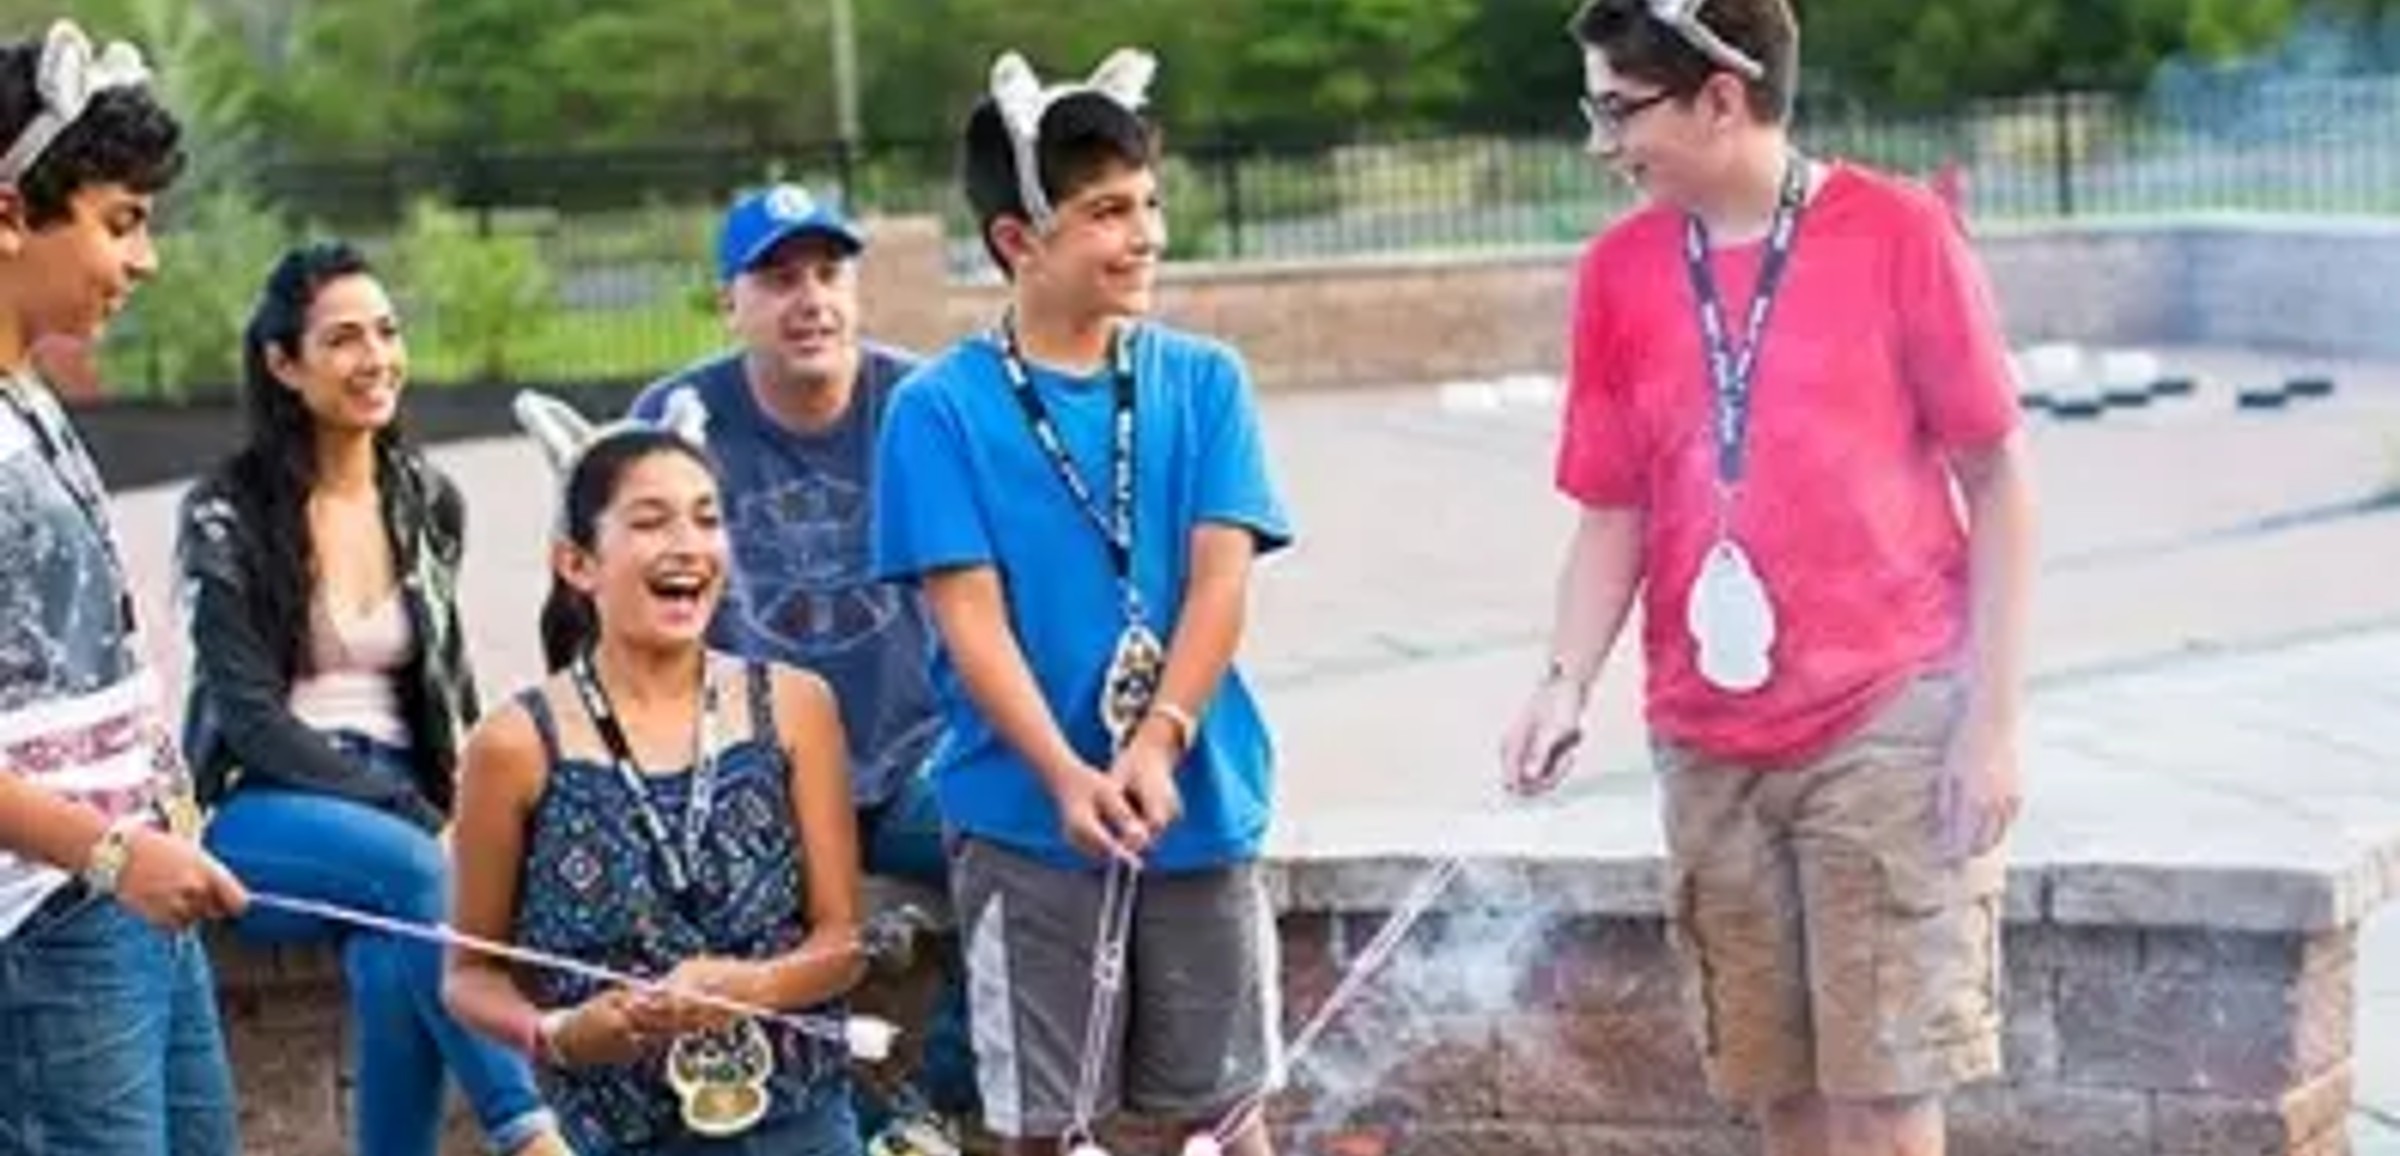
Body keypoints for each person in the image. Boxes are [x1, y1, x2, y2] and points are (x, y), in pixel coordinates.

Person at [1498, 3, 2036, 1155]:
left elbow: (1999, 480)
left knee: (1885, 1096)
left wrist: (1990, 725)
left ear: (1722, 98)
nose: (1603, 142)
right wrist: (1561, 682)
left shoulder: (1901, 234)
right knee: (1778, 1090)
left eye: (1620, 108)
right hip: (1707, 740)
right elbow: (1615, 508)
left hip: (1887, 718)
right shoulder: (1620, 273)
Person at [872, 46, 1292, 1156]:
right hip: (1023, 815)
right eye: (1107, 211)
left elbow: (1219, 579)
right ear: (1020, 238)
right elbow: (969, 620)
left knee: (1227, 1111)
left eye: (1149, 203)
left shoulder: (1205, 381)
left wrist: (1160, 737)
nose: (1145, 233)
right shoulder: (938, 409)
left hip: (1195, 796)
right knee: (1046, 1127)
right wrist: (1064, 773)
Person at [176, 240, 568, 1156]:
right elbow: (253, 724)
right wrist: (414, 815)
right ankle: (533, 1136)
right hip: (263, 807)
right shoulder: (225, 514)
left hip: (395, 799)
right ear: (284, 365)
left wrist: (463, 797)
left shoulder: (427, 500)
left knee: (398, 959)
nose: (376, 358)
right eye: (343, 339)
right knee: (420, 875)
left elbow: (445, 688)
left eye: (387, 332)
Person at [628, 186, 975, 1145]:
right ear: (728, 301)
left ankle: (946, 1094)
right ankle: (871, 1115)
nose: (809, 298)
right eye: (777, 279)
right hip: (758, 771)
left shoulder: (922, 406)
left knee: (1033, 832)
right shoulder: (679, 418)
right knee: (714, 919)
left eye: (827, 273)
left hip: (913, 756)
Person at [444, 392, 867, 1156]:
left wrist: (753, 986)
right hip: (621, 1136)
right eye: (649, 522)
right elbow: (468, 975)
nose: (688, 545)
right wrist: (559, 1034)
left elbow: (841, 942)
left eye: (707, 519)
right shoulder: (511, 747)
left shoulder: (798, 707)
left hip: (802, 1126)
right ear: (577, 563)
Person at [0, 21, 251, 1156]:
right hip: (43, 918)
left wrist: (153, 831)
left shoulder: (32, 396)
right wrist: (106, 853)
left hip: (131, 887)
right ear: (9, 213)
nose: (145, 259)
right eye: (119, 221)